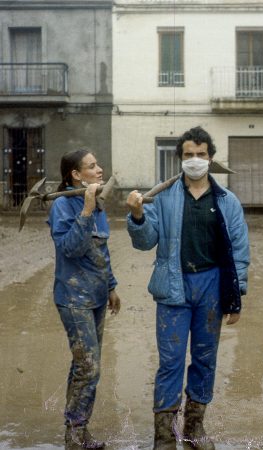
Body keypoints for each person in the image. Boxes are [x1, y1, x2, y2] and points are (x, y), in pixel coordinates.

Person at [126, 126, 249, 450]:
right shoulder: (163, 196)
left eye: (201, 154)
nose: (195, 160)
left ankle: (195, 429)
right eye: (188, 155)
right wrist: (138, 215)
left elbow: (239, 250)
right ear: (180, 159)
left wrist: (236, 297)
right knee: (171, 362)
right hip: (173, 288)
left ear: (211, 158)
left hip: (212, 288)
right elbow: (145, 241)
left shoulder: (227, 200)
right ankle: (164, 438)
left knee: (205, 359)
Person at [48, 149, 120, 449]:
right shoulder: (63, 206)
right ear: (76, 175)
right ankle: (75, 435)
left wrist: (112, 286)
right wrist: (86, 211)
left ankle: (77, 428)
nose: (99, 170)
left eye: (98, 164)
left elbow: (100, 250)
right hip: (73, 297)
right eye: (92, 166)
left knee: (84, 365)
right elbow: (70, 249)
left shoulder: (96, 202)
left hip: (97, 296)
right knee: (89, 367)